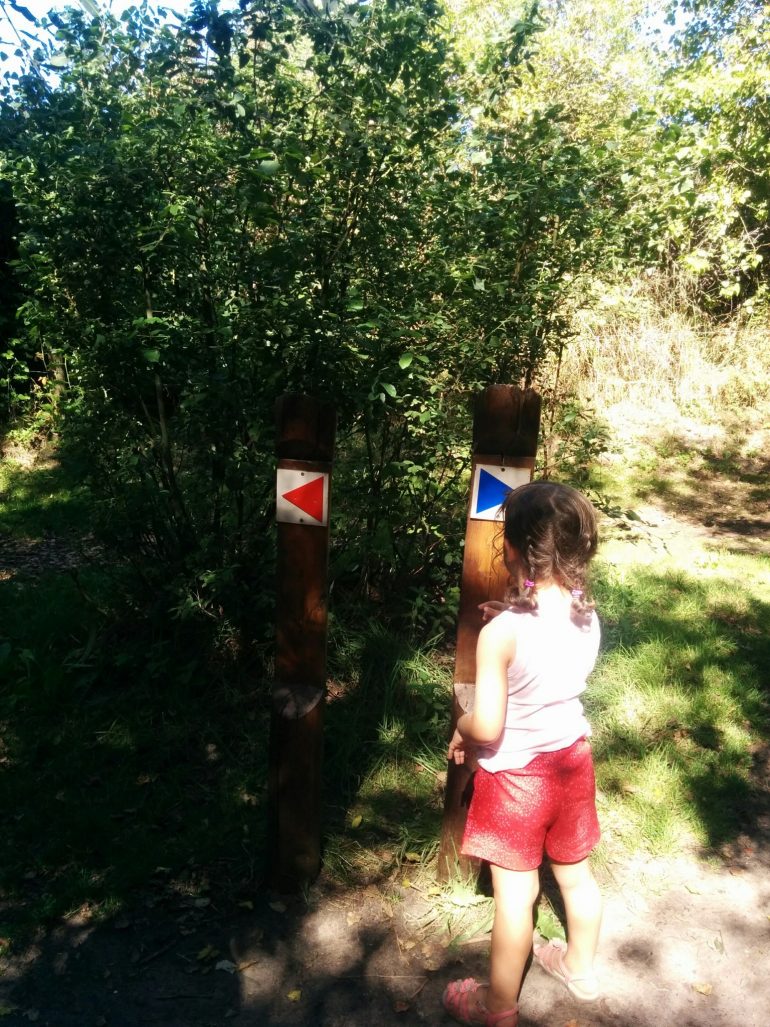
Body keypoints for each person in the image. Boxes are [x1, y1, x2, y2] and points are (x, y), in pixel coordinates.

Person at [441, 481, 603, 1027]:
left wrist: (461, 727)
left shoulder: (502, 634)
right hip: (572, 762)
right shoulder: (585, 613)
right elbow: (545, 640)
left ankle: (497, 1008)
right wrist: (510, 615)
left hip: (516, 780)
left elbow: (488, 724)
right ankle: (580, 969)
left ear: (510, 547)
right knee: (576, 877)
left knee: (516, 896)